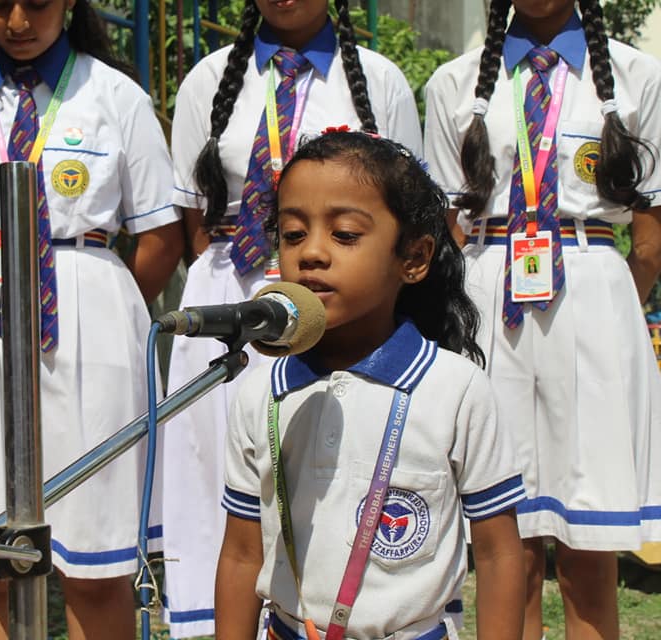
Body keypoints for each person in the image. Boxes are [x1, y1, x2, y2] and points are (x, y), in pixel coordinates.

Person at [0, 1, 183, 638]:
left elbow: (159, 237)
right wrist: (0, 287)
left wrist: (96, 301)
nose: (18, 19)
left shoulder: (117, 95)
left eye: (36, 2)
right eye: (0, 2)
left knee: (96, 559)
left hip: (89, 315)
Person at [163, 1, 422, 635]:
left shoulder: (379, 80)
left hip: (337, 307)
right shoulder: (207, 79)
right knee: (215, 477)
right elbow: (193, 218)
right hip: (231, 294)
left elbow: (408, 207)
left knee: (324, 465)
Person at [216, 129, 526, 640]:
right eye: (293, 234)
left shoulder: (456, 390)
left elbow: (497, 553)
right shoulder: (261, 392)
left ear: (414, 258)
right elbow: (241, 554)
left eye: (344, 235)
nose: (311, 253)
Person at [423, 0, 661, 637]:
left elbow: (650, 236)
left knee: (591, 541)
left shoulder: (639, 77)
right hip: (490, 282)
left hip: (591, 280)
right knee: (506, 537)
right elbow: (447, 224)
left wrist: (609, 311)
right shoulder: (455, 81)